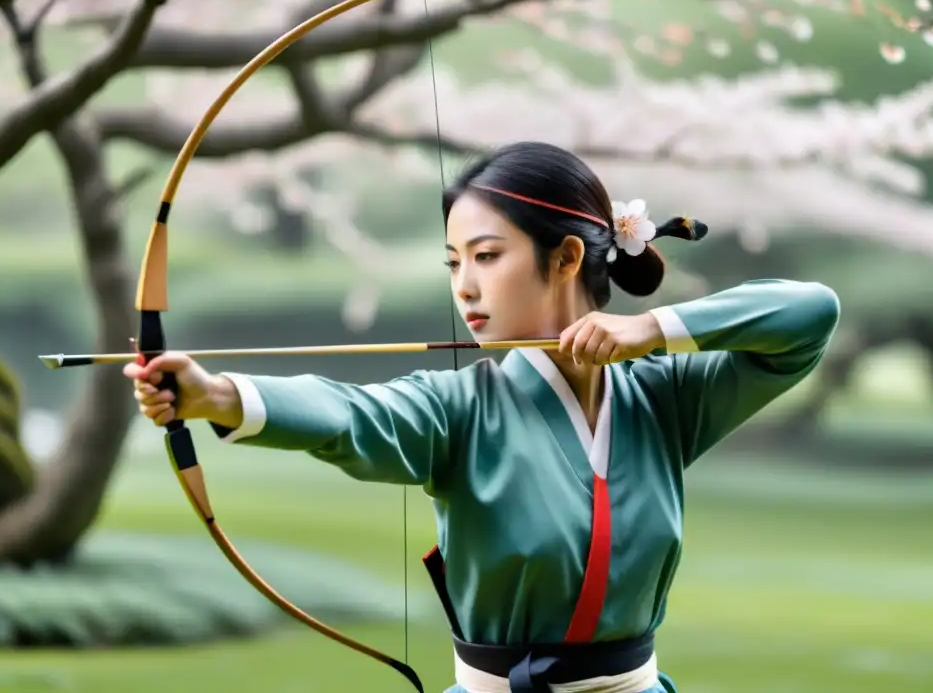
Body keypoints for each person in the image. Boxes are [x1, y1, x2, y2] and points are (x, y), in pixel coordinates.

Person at [125, 141, 840, 693]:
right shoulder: (457, 409)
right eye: (452, 262)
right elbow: (349, 415)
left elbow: (809, 313)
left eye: (487, 256)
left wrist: (653, 330)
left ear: (564, 258)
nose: (465, 286)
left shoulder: (665, 397)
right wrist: (215, 395)